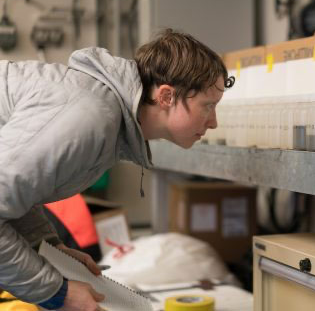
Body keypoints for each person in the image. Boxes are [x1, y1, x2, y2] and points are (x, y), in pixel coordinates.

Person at [0, 28, 234, 311]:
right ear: (167, 97)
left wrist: (48, 247)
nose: (214, 122)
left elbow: (17, 196)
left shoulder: (106, 119)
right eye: (207, 106)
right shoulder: (88, 119)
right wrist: (57, 292)